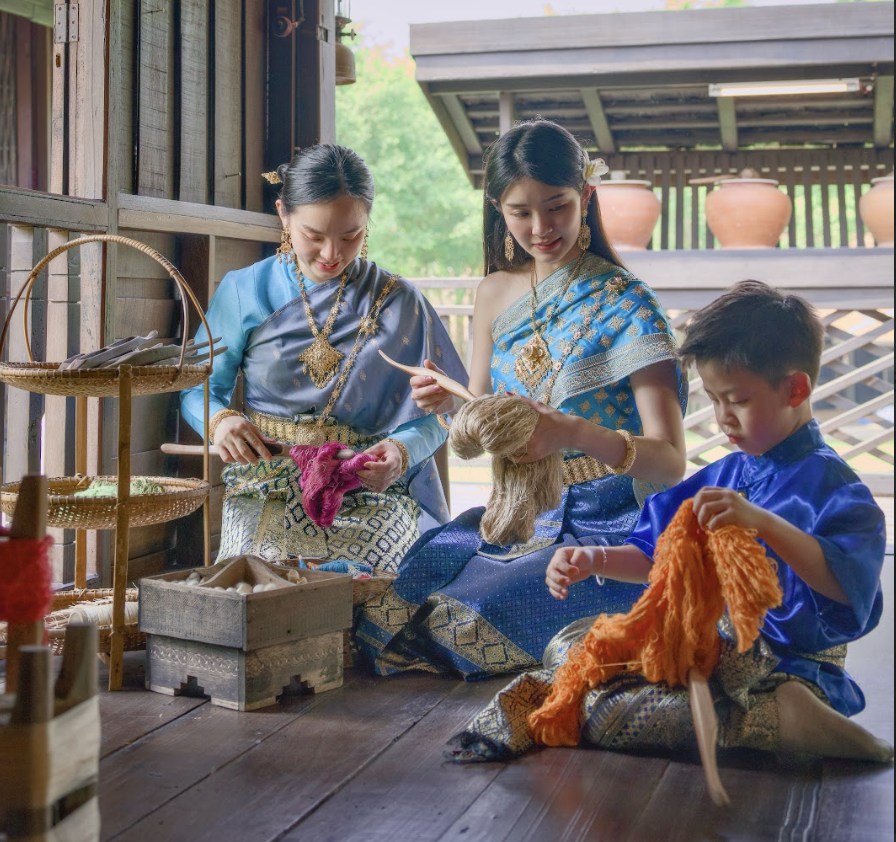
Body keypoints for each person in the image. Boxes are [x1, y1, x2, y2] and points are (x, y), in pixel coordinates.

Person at [448, 279, 893, 764]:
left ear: (796, 389)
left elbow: (847, 589)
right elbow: (655, 556)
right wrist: (591, 558)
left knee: (604, 707)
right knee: (572, 644)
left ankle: (791, 718)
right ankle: (775, 723)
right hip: (708, 651)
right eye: (715, 400)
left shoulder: (837, 489)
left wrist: (762, 523)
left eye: (738, 400)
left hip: (789, 666)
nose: (724, 418)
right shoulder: (728, 474)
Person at [356, 120, 688, 678]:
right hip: (516, 514)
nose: (541, 228)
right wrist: (447, 403)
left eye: (557, 206)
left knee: (459, 621)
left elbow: (672, 461)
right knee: (396, 600)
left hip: (609, 527)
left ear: (586, 195)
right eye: (521, 212)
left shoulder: (628, 303)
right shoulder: (494, 292)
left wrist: (575, 433)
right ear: (498, 210)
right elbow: (484, 415)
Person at [179, 144, 467, 570]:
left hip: (369, 485)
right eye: (314, 236)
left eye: (351, 236)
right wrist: (220, 422)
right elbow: (197, 387)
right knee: (258, 581)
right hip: (268, 482)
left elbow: (447, 410)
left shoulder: (399, 301)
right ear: (283, 214)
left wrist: (402, 452)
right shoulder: (244, 291)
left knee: (365, 585)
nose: (332, 254)